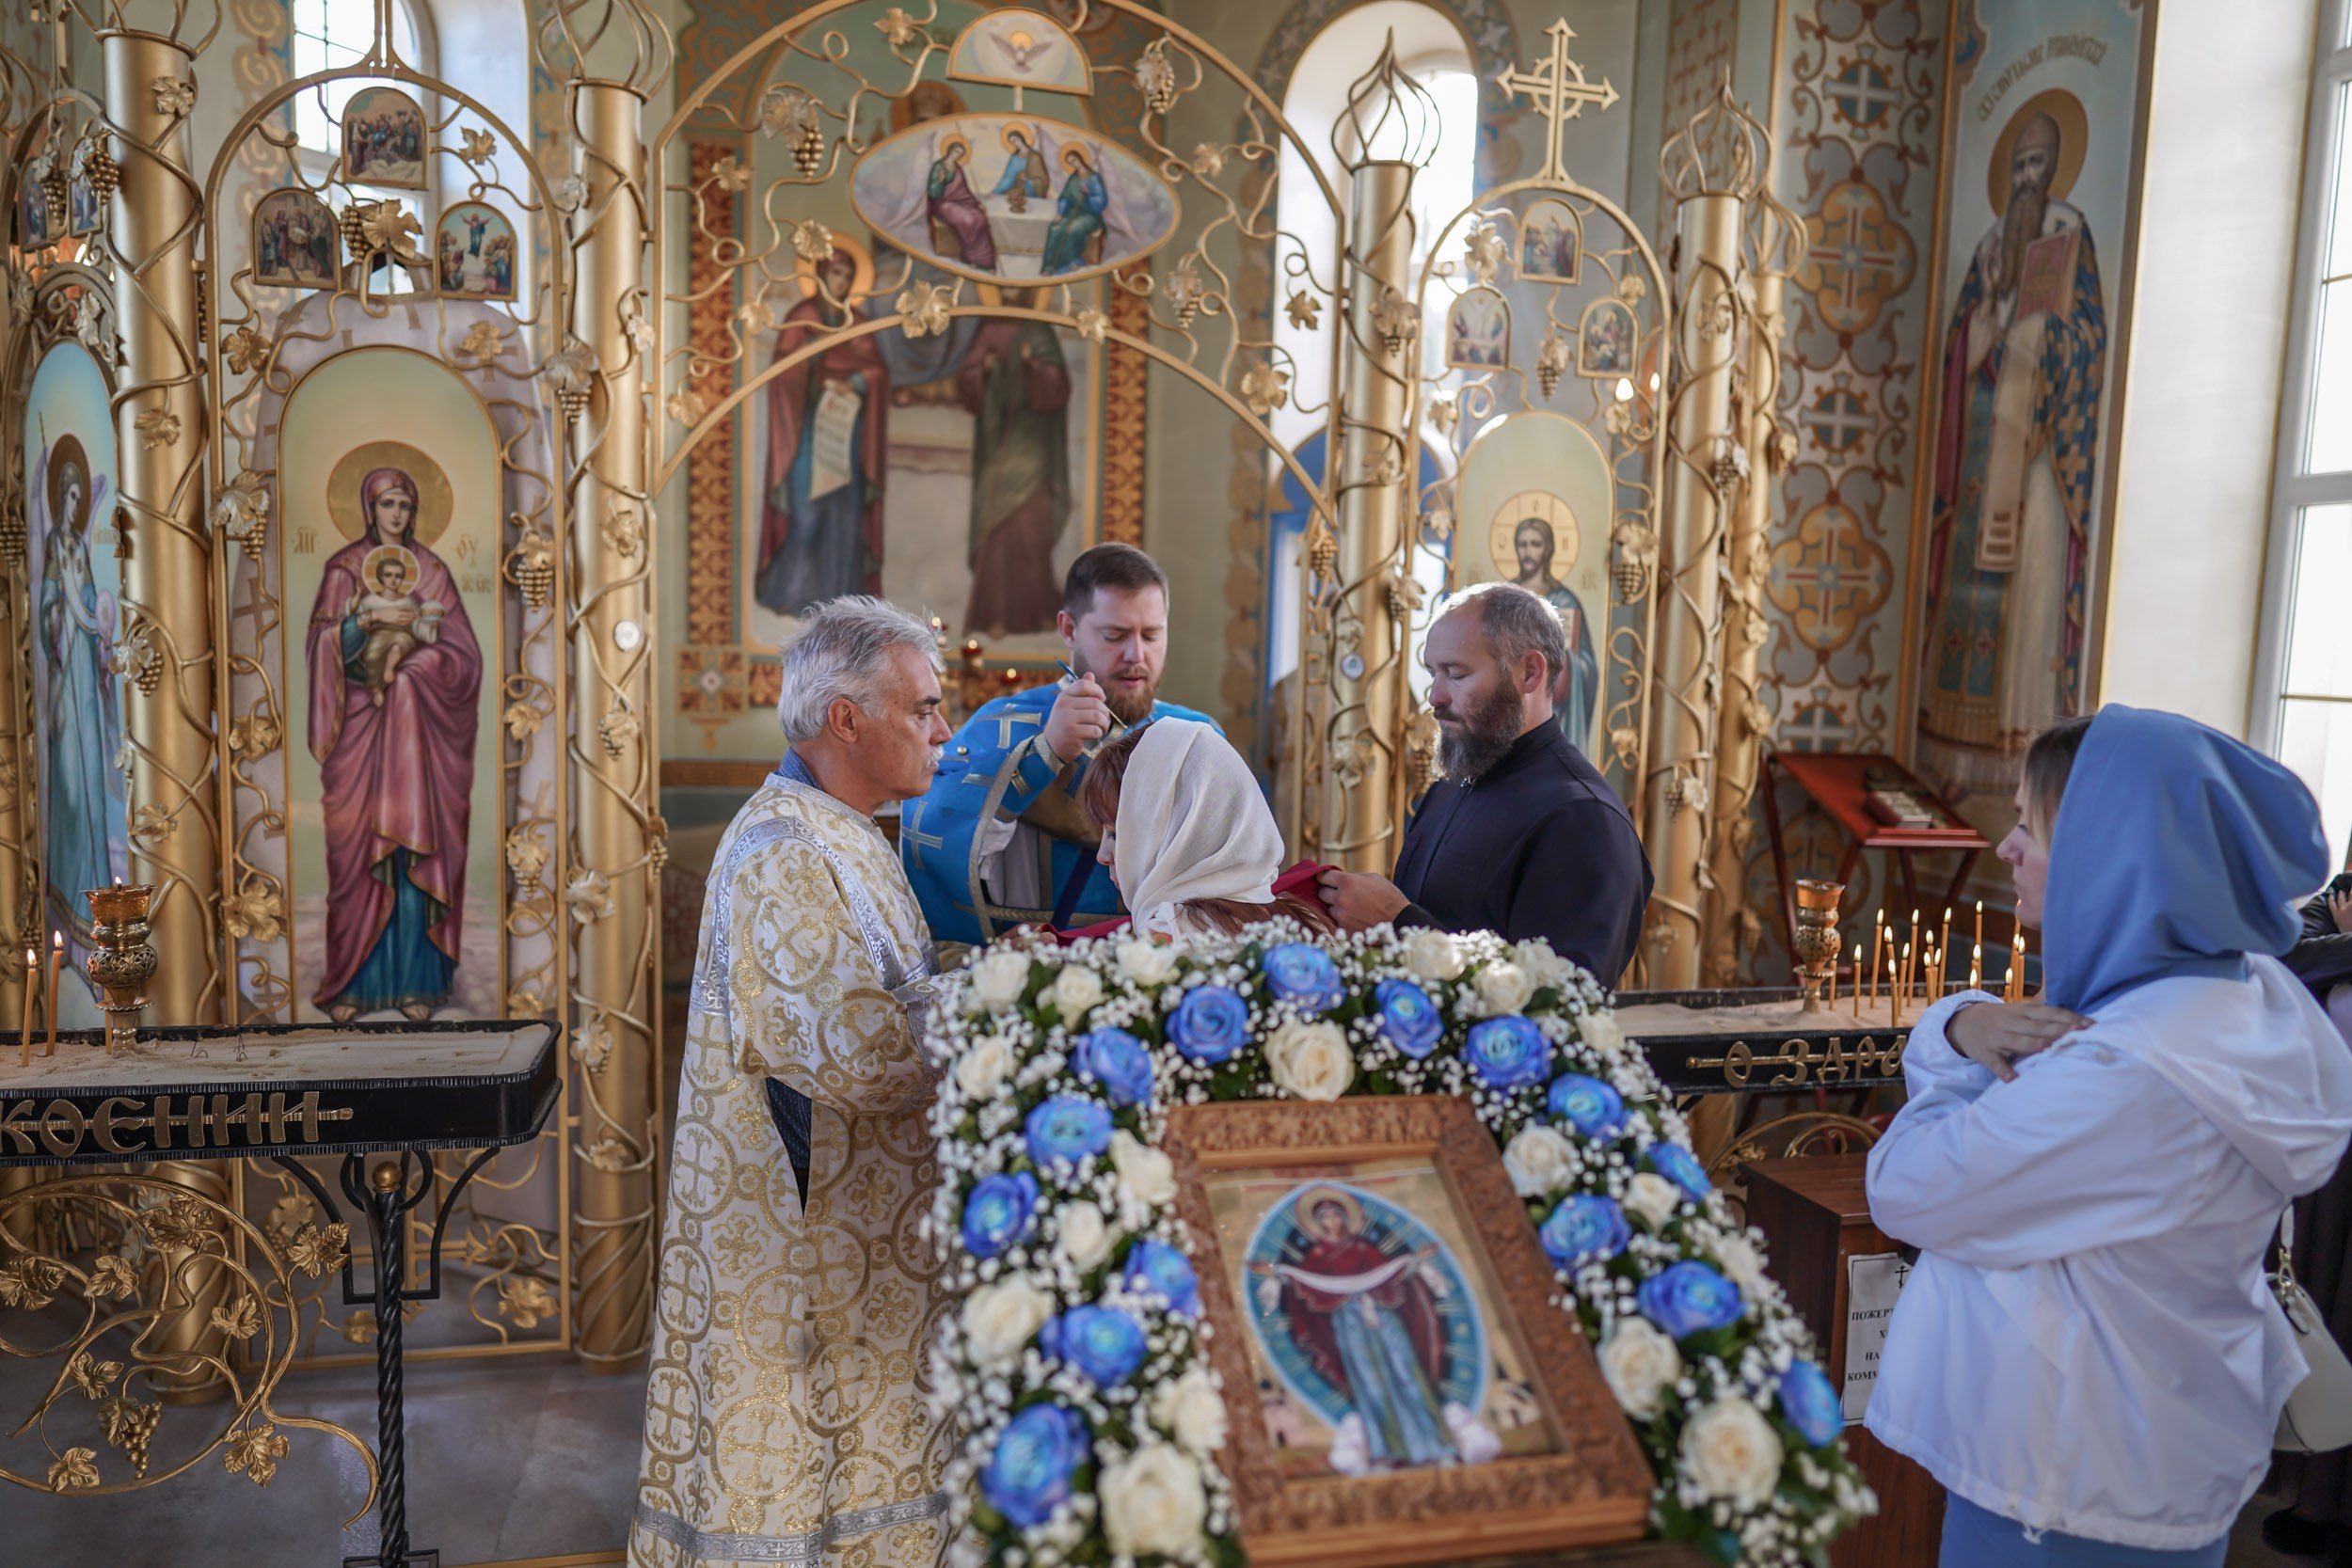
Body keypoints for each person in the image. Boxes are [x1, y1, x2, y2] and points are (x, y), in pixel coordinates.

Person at [1864, 708, 2352, 1568]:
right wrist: (1968, 1022)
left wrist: (1950, 1051)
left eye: (2030, 825)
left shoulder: (2125, 1074)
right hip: (2151, 1454)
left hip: (2060, 1487)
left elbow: (1907, 1185)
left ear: (2111, 856)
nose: (2005, 847)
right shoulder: (2241, 998)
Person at [630, 596, 956, 1568]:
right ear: (846, 719)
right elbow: (855, 1053)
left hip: (861, 1216)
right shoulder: (784, 850)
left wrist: (976, 973)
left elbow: (885, 979)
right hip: (806, 1231)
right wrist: (1004, 1020)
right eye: (924, 708)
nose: (941, 730)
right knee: (808, 1478)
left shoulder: (842, 826)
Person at [1916, 104, 2108, 832]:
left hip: (2038, 457)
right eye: (2018, 166)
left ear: (2054, 169)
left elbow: (2089, 338)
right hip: (1980, 461)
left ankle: (2018, 756)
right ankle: (1963, 760)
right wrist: (1993, 313)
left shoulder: (2069, 234)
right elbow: (1959, 345)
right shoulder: (1995, 242)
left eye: (2038, 165)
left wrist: (2043, 333)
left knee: (2028, 598)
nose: (2027, 178)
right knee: (1973, 601)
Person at [1317, 581, 1651, 986]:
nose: (1435, 696)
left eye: (1456, 674)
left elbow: (1561, 1009)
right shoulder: (1450, 786)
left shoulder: (1585, 819)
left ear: (1529, 672)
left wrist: (1396, 922)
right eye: (1432, 673)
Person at [903, 544, 1215, 943]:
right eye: (1115, 635)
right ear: (1069, 629)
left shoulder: (1198, 734)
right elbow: (931, 832)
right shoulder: (1004, 724)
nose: (1137, 654)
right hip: (1040, 973)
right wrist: (1044, 754)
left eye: (1152, 635)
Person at [306, 466, 483, 1022]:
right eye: (388, 504)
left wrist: (413, 672)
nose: (397, 515)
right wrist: (359, 621)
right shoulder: (342, 571)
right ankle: (353, 986)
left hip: (420, 745)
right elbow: (321, 645)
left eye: (405, 505)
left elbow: (465, 659)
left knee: (413, 851)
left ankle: (417, 986)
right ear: (368, 508)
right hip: (359, 731)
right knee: (358, 857)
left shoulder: (432, 572)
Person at [2268, 858, 2352, 1560]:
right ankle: (2316, 1492)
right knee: (2327, 1305)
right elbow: (2289, 954)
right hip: (2339, 1157)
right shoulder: (2341, 896)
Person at [1077, 718, 1332, 938]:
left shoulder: (1168, 941)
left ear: (1180, 832)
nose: (1103, 856)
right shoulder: (1303, 919)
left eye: (1116, 833)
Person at [757, 247, 889, 616]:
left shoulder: (858, 321)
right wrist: (815, 352)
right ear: (820, 277)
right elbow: (784, 372)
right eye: (836, 275)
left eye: (848, 276)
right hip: (807, 435)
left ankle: (840, 608)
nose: (842, 283)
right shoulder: (802, 317)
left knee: (844, 521)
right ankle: (790, 592)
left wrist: (858, 381)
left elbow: (878, 372)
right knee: (807, 515)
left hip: (847, 440)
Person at [959, 289, 1072, 636]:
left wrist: (1033, 365)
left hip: (1034, 440)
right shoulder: (988, 328)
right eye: (1004, 289)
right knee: (996, 525)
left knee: (1028, 522)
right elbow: (966, 380)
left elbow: (1058, 386)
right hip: (998, 442)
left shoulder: (1040, 331)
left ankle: (1033, 611)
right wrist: (984, 369)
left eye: (1016, 289)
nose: (1009, 294)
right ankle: (992, 615)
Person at [1507, 515, 1598, 753]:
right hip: (1508, 708)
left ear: (1547, 550)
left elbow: (1588, 668)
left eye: (1535, 544)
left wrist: (1569, 665)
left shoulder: (1566, 602)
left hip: (1554, 713)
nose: (1527, 551)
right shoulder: (1503, 598)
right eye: (1522, 543)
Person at [347, 547, 444, 706]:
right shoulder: (370, 600)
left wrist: (430, 627)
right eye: (388, 575)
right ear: (380, 577)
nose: (393, 580)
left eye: (398, 576)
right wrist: (357, 598)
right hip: (378, 635)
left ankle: (389, 669)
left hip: (403, 633)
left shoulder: (408, 602)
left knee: (397, 647)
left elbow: (416, 624)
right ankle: (377, 689)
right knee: (372, 656)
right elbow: (356, 618)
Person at [1041, 145, 1106, 275]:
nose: (1073, 164)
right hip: (1072, 212)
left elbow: (1101, 202)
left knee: (1072, 229)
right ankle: (1048, 266)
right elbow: (1065, 197)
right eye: (1070, 163)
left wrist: (1089, 195)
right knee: (1055, 228)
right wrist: (1060, 213)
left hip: (1090, 215)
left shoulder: (1093, 178)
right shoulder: (1074, 178)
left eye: (1074, 160)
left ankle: (1073, 261)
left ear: (1080, 159)